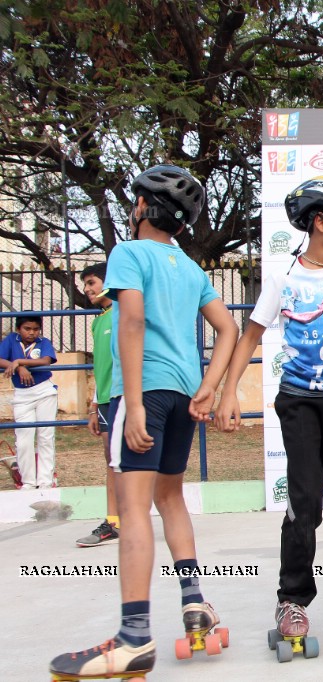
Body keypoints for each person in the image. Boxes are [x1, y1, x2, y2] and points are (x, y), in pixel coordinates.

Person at [50, 164, 239, 680]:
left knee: (132, 511)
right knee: (170, 497)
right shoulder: (191, 268)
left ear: (142, 208)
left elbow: (130, 320)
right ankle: (194, 601)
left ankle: (133, 637)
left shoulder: (128, 253)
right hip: (181, 393)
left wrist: (131, 404)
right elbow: (229, 328)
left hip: (147, 393)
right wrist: (210, 385)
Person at [216, 175, 323, 649]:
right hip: (300, 406)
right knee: (303, 507)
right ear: (319, 221)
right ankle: (292, 600)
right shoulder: (283, 280)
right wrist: (230, 394)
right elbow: (249, 337)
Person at [76, 264, 121, 546]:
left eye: (91, 282)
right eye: (85, 285)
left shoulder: (124, 312)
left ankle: (160, 514)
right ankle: (113, 522)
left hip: (124, 399)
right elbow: (100, 366)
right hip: (104, 401)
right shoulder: (98, 319)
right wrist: (93, 405)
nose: (88, 289)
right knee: (111, 462)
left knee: (131, 462)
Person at [0, 314, 57, 489]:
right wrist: (21, 368)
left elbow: (45, 361)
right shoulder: (11, 340)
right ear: (18, 329)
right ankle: (28, 482)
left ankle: (45, 481)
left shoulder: (44, 342)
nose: (32, 333)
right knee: (24, 439)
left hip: (44, 391)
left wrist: (18, 362)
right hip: (22, 395)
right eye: (27, 329)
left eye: (35, 329)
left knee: (45, 436)